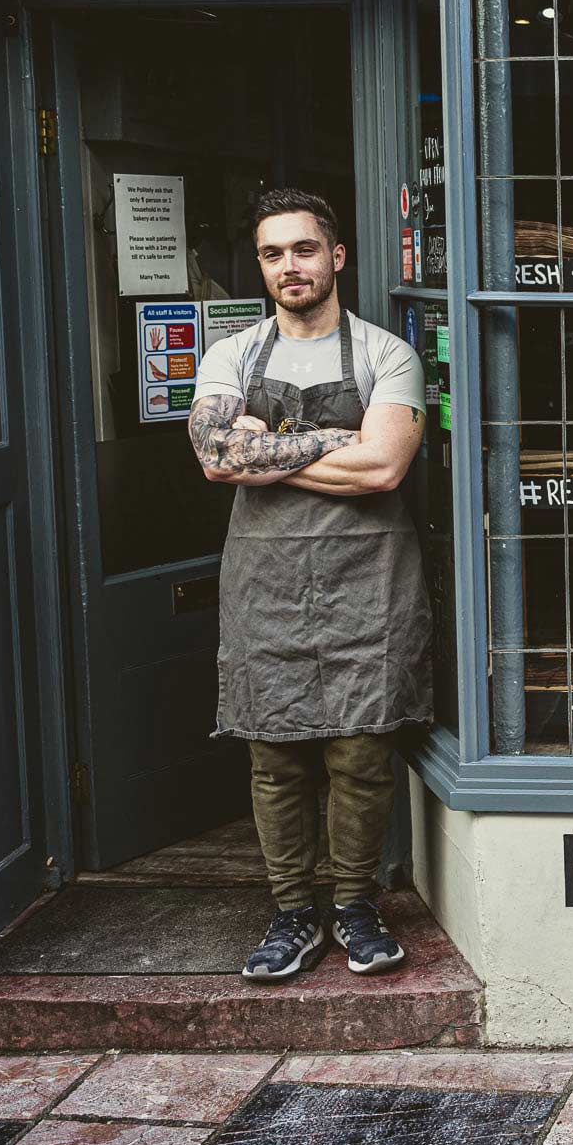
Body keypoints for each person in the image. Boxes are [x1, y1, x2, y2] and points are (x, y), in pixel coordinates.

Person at [188, 188, 432, 983]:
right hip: (266, 583)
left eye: (301, 249)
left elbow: (386, 465)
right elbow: (216, 458)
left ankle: (356, 907)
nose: (288, 266)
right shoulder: (231, 355)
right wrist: (340, 444)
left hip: (370, 582)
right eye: (271, 254)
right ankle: (293, 912)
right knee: (276, 756)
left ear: (336, 256)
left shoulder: (386, 354)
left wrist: (276, 444)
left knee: (362, 753)